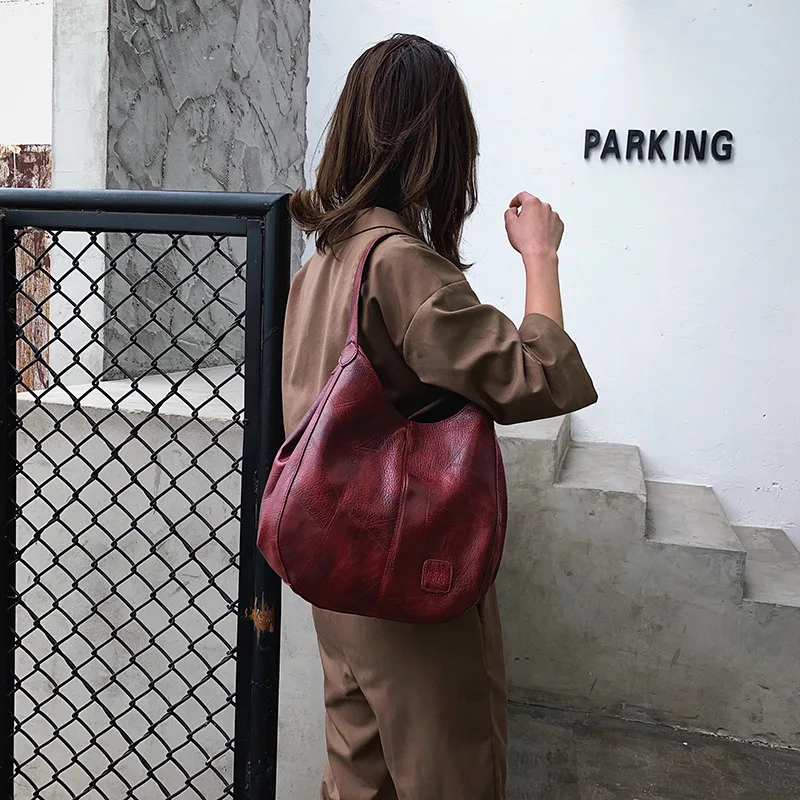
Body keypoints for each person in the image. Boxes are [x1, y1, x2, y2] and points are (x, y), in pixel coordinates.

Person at [283, 33, 597, 800]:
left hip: (337, 574)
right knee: (452, 778)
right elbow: (538, 379)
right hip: (408, 583)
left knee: (356, 780)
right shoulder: (401, 265)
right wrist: (541, 257)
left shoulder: (326, 260)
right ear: (440, 145)